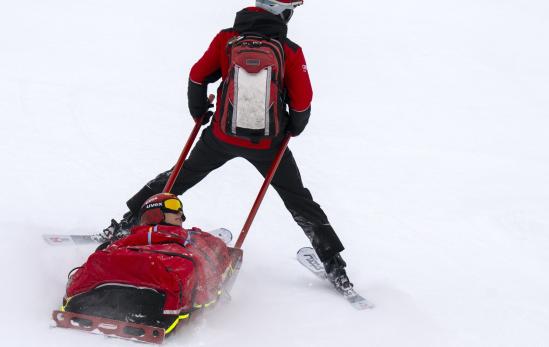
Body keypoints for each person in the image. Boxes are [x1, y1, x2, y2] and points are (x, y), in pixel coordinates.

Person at [103, 0, 353, 294]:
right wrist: (294, 127)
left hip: (221, 137)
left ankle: (126, 223)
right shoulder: (290, 50)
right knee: (299, 200)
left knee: (178, 177)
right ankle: (334, 266)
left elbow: (198, 75)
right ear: (281, 13)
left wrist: (198, 111)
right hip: (268, 144)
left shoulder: (226, 38)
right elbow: (302, 101)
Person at [64, 193, 233, 335]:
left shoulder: (124, 240)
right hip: (161, 302)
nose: (181, 214)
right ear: (154, 212)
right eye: (175, 206)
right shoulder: (193, 239)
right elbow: (218, 261)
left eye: (181, 210)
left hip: (91, 296)